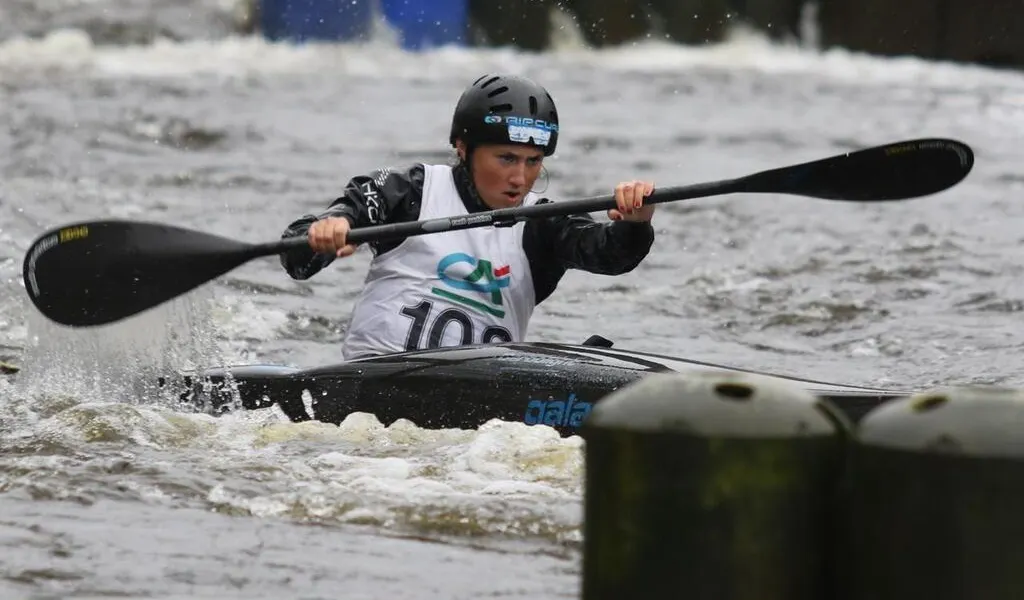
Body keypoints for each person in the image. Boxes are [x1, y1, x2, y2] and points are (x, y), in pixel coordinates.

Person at [279, 74, 657, 360]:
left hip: (478, 402)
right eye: (506, 158)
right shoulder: (411, 190)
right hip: (374, 380)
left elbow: (610, 254)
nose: (520, 178)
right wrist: (332, 228)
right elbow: (300, 256)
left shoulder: (544, 225)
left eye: (533, 162)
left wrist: (635, 222)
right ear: (463, 147)